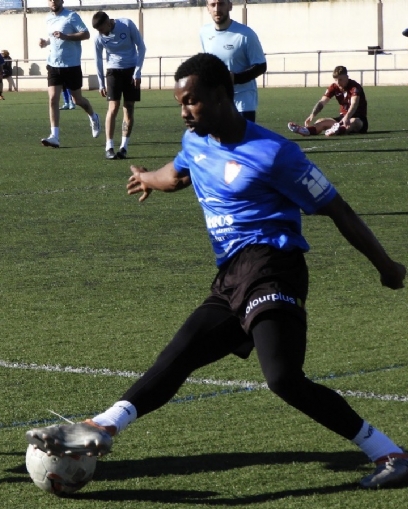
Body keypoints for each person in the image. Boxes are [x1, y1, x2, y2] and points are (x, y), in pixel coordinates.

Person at [26, 52, 408, 490]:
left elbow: (339, 210)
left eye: (191, 101)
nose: (185, 111)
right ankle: (98, 427)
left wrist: (386, 266)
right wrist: (147, 177)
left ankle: (389, 453)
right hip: (231, 276)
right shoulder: (196, 141)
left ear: (223, 95)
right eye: (179, 103)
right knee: (179, 354)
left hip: (273, 267)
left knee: (283, 378)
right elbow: (177, 174)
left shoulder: (276, 153)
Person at [38, 0, 100, 148]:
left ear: (62, 1)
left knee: (77, 100)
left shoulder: (71, 16)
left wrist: (66, 36)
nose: (53, 2)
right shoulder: (48, 18)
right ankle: (55, 136)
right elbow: (53, 38)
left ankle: (93, 116)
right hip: (53, 64)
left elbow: (86, 34)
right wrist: (45, 42)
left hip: (71, 65)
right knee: (53, 98)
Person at [199, 0, 266, 122]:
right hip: (217, 101)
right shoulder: (204, 33)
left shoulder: (245, 34)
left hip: (243, 103)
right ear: (207, 8)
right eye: (213, 5)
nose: (217, 9)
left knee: (243, 140)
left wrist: (235, 78)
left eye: (221, 4)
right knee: (219, 141)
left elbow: (261, 66)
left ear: (230, 6)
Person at [92, 11, 146, 160]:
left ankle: (124, 147)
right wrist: (101, 83)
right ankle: (109, 146)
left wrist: (137, 71)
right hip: (113, 72)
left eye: (102, 28)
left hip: (131, 72)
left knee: (128, 109)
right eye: (98, 31)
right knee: (113, 107)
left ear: (108, 21)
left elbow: (141, 47)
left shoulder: (126, 25)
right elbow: (98, 60)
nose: (101, 32)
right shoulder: (99, 38)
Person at [288, 66, 368, 137]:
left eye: (340, 79)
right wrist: (313, 114)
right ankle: (305, 130)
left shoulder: (355, 87)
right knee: (320, 121)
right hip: (342, 118)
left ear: (347, 77)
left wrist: (347, 117)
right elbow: (322, 102)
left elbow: (354, 103)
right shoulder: (334, 87)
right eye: (336, 80)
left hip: (358, 119)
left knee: (354, 121)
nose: (338, 82)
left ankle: (338, 130)